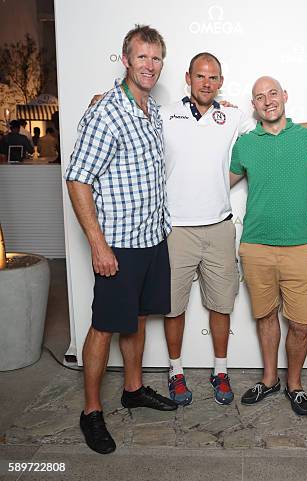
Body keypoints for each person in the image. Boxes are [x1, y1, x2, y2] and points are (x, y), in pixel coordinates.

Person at [64, 25, 177, 456]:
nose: (149, 65)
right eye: (141, 57)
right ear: (125, 59)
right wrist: (97, 243)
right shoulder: (107, 112)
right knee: (105, 324)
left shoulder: (149, 110)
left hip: (152, 236)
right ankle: (91, 410)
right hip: (118, 244)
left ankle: (132, 389)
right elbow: (77, 179)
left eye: (156, 58)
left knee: (139, 318)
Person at [230, 76, 307, 416]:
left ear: (285, 96)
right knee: (265, 316)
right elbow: (215, 182)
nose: (268, 100)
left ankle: (295, 384)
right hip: (255, 247)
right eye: (259, 96)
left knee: (301, 323)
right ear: (254, 106)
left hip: (299, 248)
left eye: (273, 93)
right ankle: (270, 378)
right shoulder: (244, 144)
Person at [161, 52, 255, 406]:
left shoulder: (231, 115)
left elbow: (272, 127)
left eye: (213, 78)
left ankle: (220, 370)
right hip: (176, 229)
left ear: (220, 82)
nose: (206, 83)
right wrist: (102, 98)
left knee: (221, 305)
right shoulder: (164, 113)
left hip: (219, 227)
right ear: (188, 77)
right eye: (200, 77)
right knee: (173, 307)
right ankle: (176, 372)